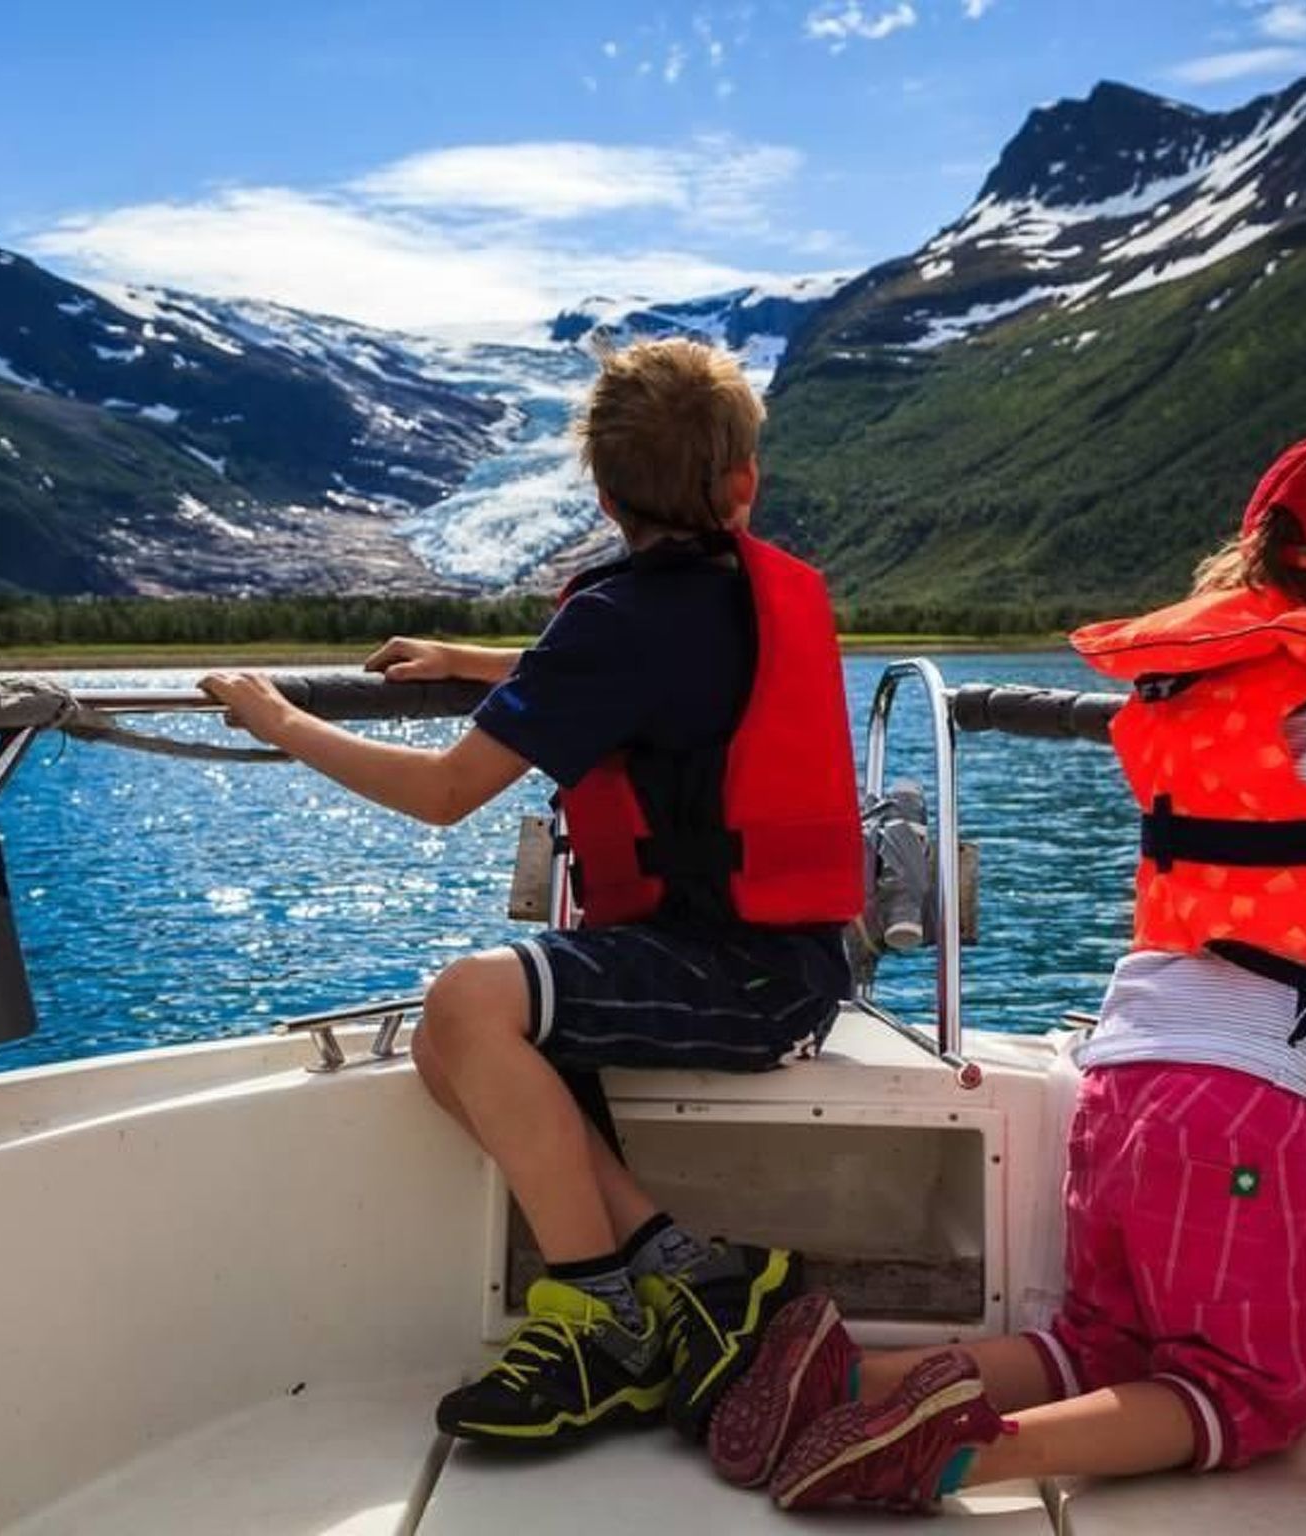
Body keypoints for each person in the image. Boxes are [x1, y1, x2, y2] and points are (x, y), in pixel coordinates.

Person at [707, 429, 1306, 1512]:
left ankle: (851, 1381)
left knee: (1100, 1340)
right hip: (1237, 1102)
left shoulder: (1178, 698)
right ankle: (954, 1454)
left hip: (1120, 1075)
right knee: (1245, 1389)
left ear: (1250, 562)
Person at [200, 337, 864, 1448]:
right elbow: (626, 673)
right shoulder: (728, 598)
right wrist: (477, 660)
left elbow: (446, 791)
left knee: (465, 1003)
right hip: (778, 964)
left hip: (741, 975)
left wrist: (283, 722)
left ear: (601, 497)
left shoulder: (624, 619)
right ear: (741, 483)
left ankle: (605, 1326)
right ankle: (690, 1277)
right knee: (438, 1045)